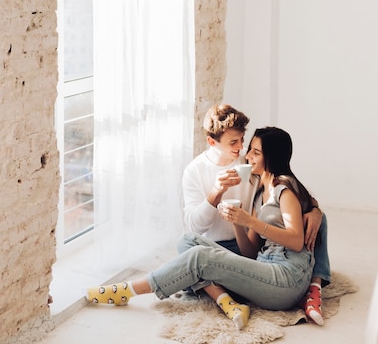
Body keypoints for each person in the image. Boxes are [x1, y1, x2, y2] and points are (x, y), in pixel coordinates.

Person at [86, 127, 317, 330]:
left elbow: (296, 241)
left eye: (256, 152)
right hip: (266, 268)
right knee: (188, 241)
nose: (247, 156)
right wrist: (237, 223)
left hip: (287, 280)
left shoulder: (284, 190)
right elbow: (250, 252)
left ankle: (127, 291)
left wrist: (250, 222)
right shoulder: (260, 193)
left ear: (272, 157)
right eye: (251, 149)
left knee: (200, 258)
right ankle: (228, 302)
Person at [182, 103, 330, 325]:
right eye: (234, 142)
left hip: (254, 245)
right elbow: (194, 226)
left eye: (243, 140)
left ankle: (314, 286)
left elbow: (288, 188)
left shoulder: (249, 162)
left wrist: (315, 210)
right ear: (212, 142)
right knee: (185, 245)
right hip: (219, 245)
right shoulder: (194, 171)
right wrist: (216, 192)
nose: (242, 149)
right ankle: (225, 299)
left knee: (319, 219)